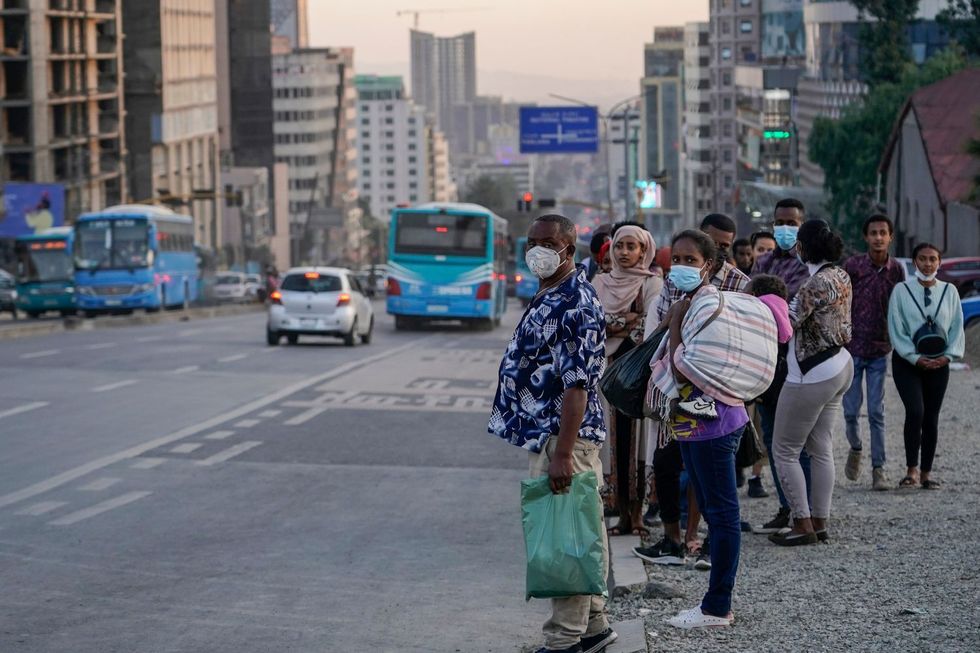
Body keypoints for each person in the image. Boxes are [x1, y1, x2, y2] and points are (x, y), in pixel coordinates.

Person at [488, 214, 617, 653]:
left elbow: (576, 386)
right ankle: (595, 627)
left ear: (568, 249)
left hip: (565, 438)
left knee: (566, 538)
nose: (537, 251)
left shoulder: (575, 302)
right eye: (532, 242)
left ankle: (563, 640)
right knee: (579, 528)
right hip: (552, 435)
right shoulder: (553, 291)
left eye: (547, 243)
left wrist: (562, 454)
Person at [644, 230, 747, 629]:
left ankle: (717, 608)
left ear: (709, 265)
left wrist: (674, 323)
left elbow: (683, 367)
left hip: (713, 424)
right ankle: (714, 603)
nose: (681, 266)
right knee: (715, 512)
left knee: (722, 515)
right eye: (677, 259)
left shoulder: (706, 304)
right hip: (695, 424)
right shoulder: (692, 301)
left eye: (691, 260)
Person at [770, 220, 853, 546]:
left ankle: (802, 522)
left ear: (802, 248)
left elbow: (786, 326)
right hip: (840, 364)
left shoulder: (813, 285)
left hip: (811, 372)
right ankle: (820, 520)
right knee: (821, 449)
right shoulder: (841, 275)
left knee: (784, 450)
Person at [592, 225, 662, 536]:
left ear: (643, 250)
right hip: (606, 375)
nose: (624, 252)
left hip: (638, 376)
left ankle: (636, 515)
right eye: (619, 246)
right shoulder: (599, 282)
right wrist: (627, 320)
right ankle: (619, 513)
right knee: (612, 442)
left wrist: (616, 325)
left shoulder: (652, 283)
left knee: (638, 444)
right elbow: (594, 324)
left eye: (631, 246)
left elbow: (652, 326)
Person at [750, 198, 812, 535]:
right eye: (780, 223)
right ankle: (787, 506)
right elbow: (751, 305)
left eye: (792, 223)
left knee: (801, 441)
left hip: (800, 361)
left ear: (802, 224)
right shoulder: (763, 263)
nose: (785, 228)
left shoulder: (809, 266)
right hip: (767, 362)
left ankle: (807, 509)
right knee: (774, 438)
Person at [887, 242, 965, 491]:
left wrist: (949, 356)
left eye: (933, 259)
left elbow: (957, 326)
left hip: (939, 362)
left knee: (931, 416)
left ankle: (926, 473)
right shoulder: (901, 290)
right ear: (914, 262)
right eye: (922, 259)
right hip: (907, 362)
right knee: (915, 411)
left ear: (939, 262)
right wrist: (913, 357)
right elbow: (896, 327)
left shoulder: (950, 291)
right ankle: (911, 469)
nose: (928, 264)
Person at [841, 214, 905, 491]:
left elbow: (900, 305)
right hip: (852, 348)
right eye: (873, 233)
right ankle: (855, 447)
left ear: (890, 237)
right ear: (866, 237)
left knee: (877, 412)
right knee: (851, 411)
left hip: (880, 348)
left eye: (883, 233)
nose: (878, 237)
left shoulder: (896, 270)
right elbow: (841, 302)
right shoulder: (853, 266)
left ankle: (879, 469)